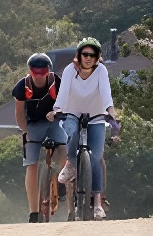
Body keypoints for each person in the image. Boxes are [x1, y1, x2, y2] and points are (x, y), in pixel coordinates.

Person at [47, 37, 118, 220]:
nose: (88, 58)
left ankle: (97, 204)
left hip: (95, 116)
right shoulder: (70, 70)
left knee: (95, 157)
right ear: (79, 55)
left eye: (92, 55)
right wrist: (57, 110)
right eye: (85, 54)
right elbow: (62, 95)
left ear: (97, 57)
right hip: (72, 113)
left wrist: (111, 112)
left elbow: (106, 92)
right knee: (71, 131)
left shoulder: (101, 70)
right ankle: (71, 164)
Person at [13, 52, 66, 223]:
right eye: (35, 72)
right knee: (31, 165)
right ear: (30, 71)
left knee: (64, 148)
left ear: (48, 71)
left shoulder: (57, 82)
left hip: (54, 122)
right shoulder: (22, 86)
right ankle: (33, 212)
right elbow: (19, 113)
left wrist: (56, 112)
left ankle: (60, 180)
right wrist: (26, 131)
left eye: (42, 72)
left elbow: (66, 103)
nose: (39, 76)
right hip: (33, 125)